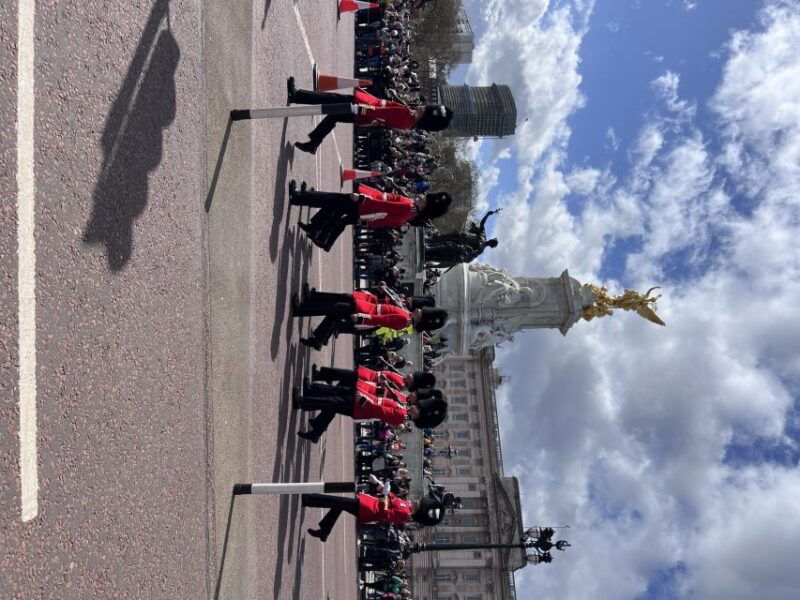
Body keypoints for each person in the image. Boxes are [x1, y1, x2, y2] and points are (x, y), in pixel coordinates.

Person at [286, 77, 453, 154]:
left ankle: (297, 95)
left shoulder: (406, 116)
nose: (425, 106)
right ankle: (314, 142)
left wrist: (358, 108)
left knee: (330, 100)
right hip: (364, 112)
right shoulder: (409, 119)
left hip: (362, 108)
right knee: (332, 116)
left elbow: (379, 112)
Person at [288, 180, 451, 251]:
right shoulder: (410, 212)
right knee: (331, 202)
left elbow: (383, 206)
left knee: (330, 200)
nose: (423, 196)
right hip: (365, 207)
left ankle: (297, 198)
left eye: (426, 198)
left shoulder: (408, 208)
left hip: (364, 204)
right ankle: (308, 213)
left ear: (427, 204)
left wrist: (362, 199)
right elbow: (385, 217)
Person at [291, 287, 447, 350]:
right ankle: (318, 337)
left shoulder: (404, 320)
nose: (419, 309)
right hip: (365, 306)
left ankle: (301, 310)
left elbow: (378, 320)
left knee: (333, 309)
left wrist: (360, 317)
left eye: (421, 312)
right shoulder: (406, 316)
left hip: (363, 311)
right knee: (333, 311)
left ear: (421, 320)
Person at [294, 382, 447, 443]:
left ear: (418, 417)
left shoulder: (401, 416)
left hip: (361, 408)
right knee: (332, 402)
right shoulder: (404, 410)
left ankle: (302, 402)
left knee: (331, 402)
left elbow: (378, 409)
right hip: (362, 404)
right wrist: (364, 393)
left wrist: (362, 399)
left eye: (419, 409)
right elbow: (379, 401)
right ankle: (315, 426)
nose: (416, 406)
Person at [302, 486, 444, 542]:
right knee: (338, 506)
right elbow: (392, 499)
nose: (419, 500)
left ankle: (308, 499)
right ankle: (324, 531)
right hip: (367, 504)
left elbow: (385, 514)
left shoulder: (405, 515)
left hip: (367, 510)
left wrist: (384, 494)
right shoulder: (406, 505)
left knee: (336, 501)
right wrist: (380, 486)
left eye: (422, 503)